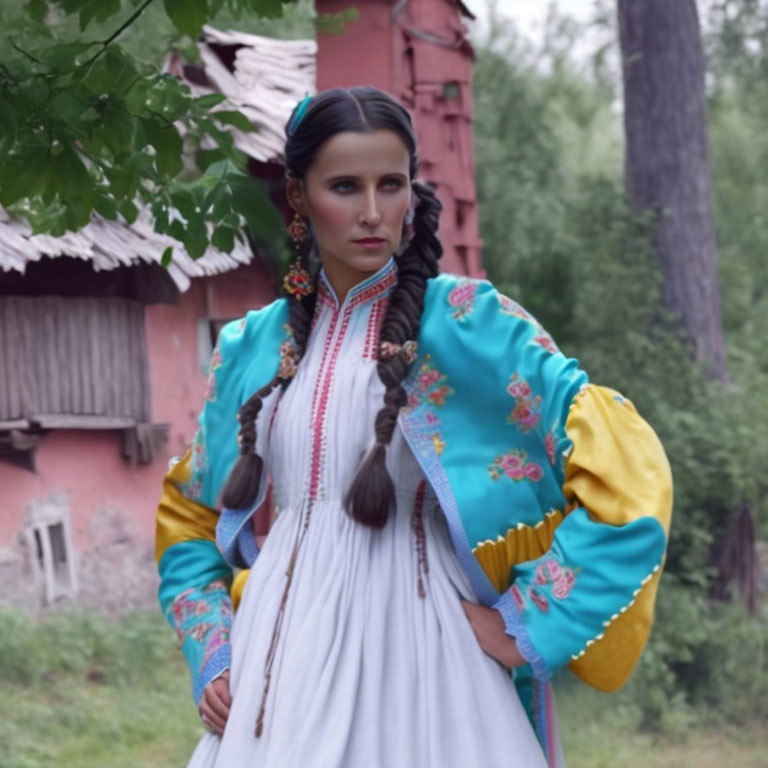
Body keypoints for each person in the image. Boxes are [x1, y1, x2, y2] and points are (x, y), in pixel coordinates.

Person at [155, 86, 673, 768]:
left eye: (391, 184)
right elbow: (189, 515)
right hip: (276, 664)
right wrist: (214, 651)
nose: (373, 213)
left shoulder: (469, 323)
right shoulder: (253, 346)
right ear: (300, 198)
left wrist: (531, 625)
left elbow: (629, 474)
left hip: (429, 658)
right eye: (345, 186)